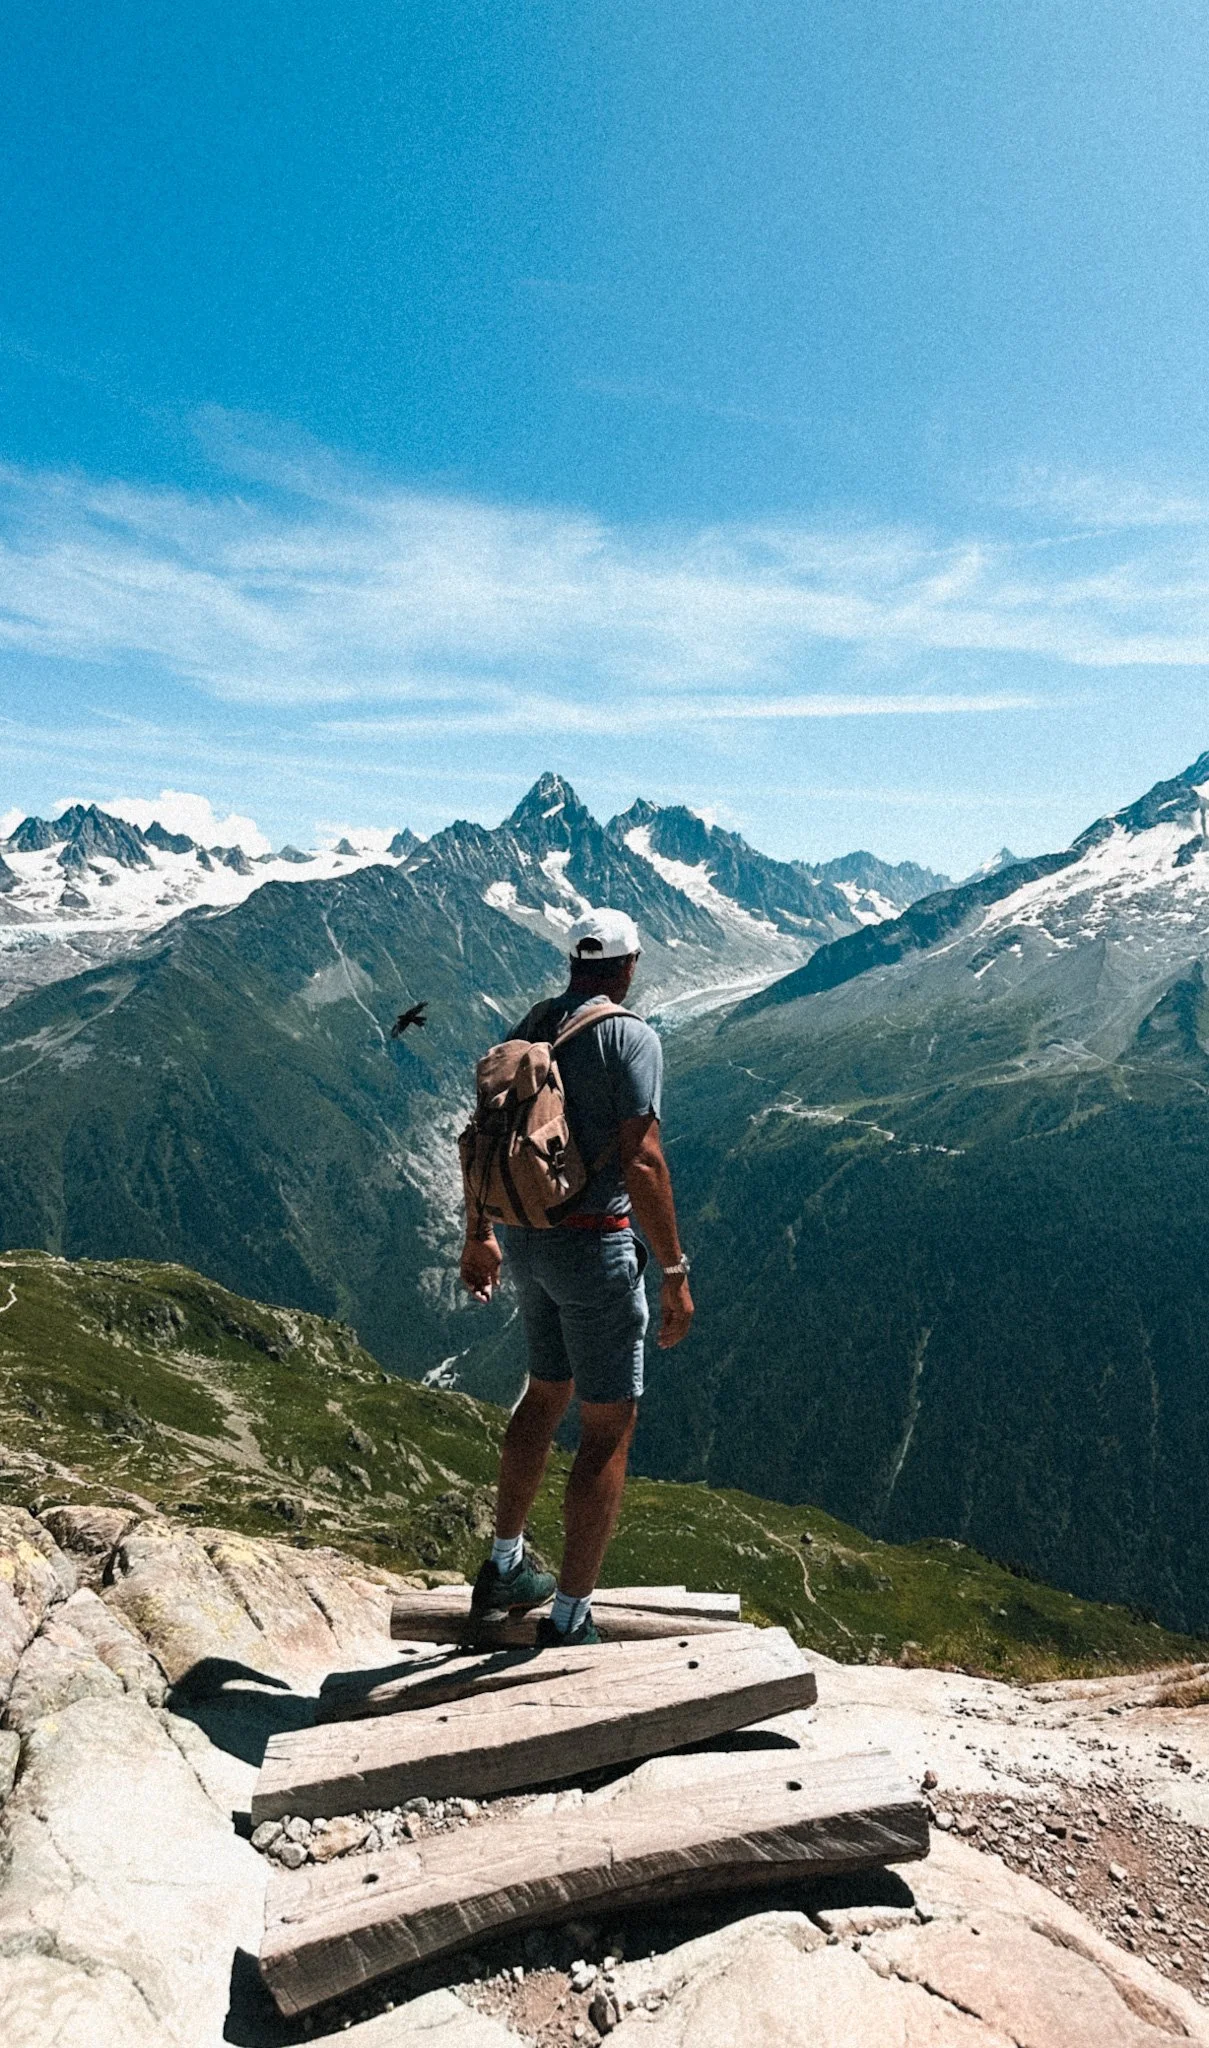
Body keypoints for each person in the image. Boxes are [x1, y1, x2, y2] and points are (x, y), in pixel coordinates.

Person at [459, 907, 694, 1646]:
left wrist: (479, 1237)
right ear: (628, 966)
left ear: (572, 963)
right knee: (607, 1430)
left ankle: (504, 1564)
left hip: (528, 1239)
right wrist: (675, 1271)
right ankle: (569, 1616)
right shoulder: (629, 1035)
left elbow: (486, 1142)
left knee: (544, 1395)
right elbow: (644, 1160)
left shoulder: (532, 1025)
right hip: (595, 1249)